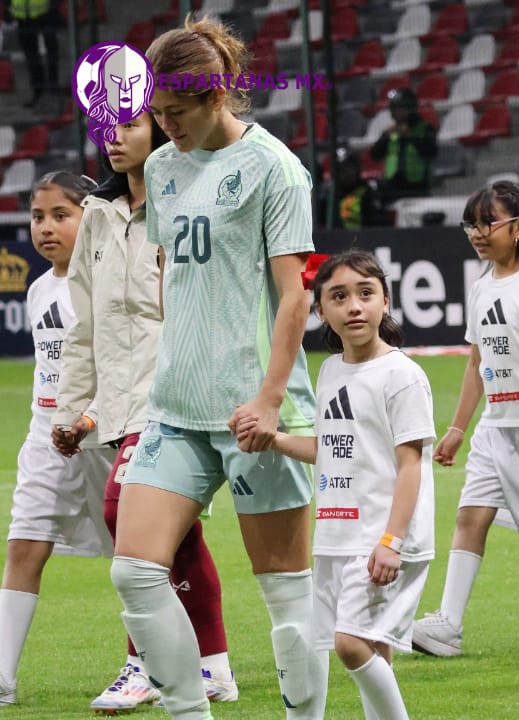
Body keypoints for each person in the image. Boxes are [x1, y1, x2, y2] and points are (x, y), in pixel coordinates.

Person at [108, 16, 327, 719]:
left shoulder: (274, 168)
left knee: (287, 599)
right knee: (135, 574)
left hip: (256, 413)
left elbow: (294, 296)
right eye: (157, 115)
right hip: (175, 408)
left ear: (218, 97)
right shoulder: (165, 168)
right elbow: (178, 273)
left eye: (176, 113)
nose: (165, 128)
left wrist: (268, 400)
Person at [49, 112, 238, 712]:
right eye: (106, 126)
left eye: (128, 124)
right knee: (174, 543)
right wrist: (73, 407)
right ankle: (211, 668)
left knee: (122, 518)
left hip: (177, 394)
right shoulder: (98, 217)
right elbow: (86, 325)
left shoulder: (184, 202)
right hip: (121, 404)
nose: (113, 136)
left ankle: (146, 666)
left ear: (158, 132)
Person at [271, 250, 434, 720]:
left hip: (383, 539)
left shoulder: (402, 375)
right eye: (339, 297)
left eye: (366, 293)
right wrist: (275, 440)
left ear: (386, 300)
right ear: (321, 310)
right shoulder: (330, 371)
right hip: (339, 536)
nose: (354, 306)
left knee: (349, 645)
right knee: (372, 650)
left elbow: (411, 467)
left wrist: (391, 541)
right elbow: (331, 446)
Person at [410, 180, 519, 658]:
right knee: (469, 514)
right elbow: (477, 362)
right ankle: (448, 626)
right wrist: (458, 428)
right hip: (496, 428)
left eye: (486, 223)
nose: (476, 233)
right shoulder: (480, 288)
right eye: (470, 224)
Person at [0, 172, 114, 708]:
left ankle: (194, 666)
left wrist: (88, 422)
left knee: (146, 560)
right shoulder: (41, 285)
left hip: (106, 440)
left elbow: (121, 370)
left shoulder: (111, 283)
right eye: (38, 217)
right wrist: (54, 426)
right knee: (23, 545)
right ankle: (3, 677)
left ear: (90, 217)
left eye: (60, 215)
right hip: (47, 439)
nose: (46, 228)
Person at [369, 87, 437, 202]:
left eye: (400, 108)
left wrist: (411, 137)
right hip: (393, 187)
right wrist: (385, 137)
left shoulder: (425, 128)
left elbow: (431, 153)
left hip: (416, 188)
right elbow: (375, 155)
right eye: (394, 109)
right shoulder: (391, 131)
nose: (396, 113)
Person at [8, 0, 60, 107]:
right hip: (23, 14)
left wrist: (55, 5)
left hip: (46, 11)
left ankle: (52, 89)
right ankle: (39, 92)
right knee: (32, 56)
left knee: (50, 52)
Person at [328, 145, 388, 229]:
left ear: (358, 168)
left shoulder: (367, 192)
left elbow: (377, 225)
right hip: (333, 239)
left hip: (362, 239)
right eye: (343, 169)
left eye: (351, 167)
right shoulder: (328, 195)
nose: (348, 173)